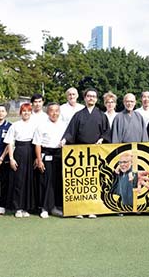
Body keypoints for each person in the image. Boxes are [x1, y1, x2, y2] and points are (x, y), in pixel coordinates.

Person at [60, 89, 110, 219]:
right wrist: (65, 140)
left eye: (93, 96)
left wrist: (102, 139)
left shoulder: (101, 115)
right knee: (81, 182)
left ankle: (93, 209)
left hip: (95, 152)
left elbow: (106, 133)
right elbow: (71, 131)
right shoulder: (78, 115)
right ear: (85, 98)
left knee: (94, 181)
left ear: (97, 99)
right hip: (80, 154)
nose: (91, 98)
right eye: (89, 96)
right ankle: (79, 209)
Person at [33, 102, 67, 218]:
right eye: (52, 111)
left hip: (59, 155)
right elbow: (37, 144)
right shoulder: (41, 126)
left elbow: (68, 139)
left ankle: (55, 207)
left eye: (57, 111)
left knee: (57, 181)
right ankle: (44, 208)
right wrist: (39, 160)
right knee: (45, 181)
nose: (54, 113)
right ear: (47, 112)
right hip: (46, 154)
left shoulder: (64, 125)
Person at [5, 103, 36, 218]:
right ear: (20, 112)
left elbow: (37, 142)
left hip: (31, 152)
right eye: (24, 111)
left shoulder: (35, 125)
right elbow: (10, 143)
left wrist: (37, 158)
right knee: (18, 180)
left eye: (28, 111)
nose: (26, 113)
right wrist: (11, 158)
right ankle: (17, 207)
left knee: (29, 181)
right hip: (19, 152)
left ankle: (26, 207)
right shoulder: (15, 125)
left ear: (31, 112)